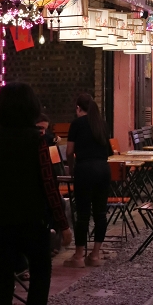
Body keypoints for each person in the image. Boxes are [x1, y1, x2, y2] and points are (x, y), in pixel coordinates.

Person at [0, 83, 72, 305]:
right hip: (32, 224)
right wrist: (63, 225)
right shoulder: (38, 141)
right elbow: (50, 187)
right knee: (41, 271)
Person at [65, 93, 112, 268]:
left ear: (78, 108)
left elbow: (69, 151)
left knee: (83, 213)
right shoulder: (102, 124)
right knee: (100, 213)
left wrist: (71, 167)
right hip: (103, 169)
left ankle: (78, 256)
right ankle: (95, 255)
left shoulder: (77, 124)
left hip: (85, 169)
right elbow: (108, 151)